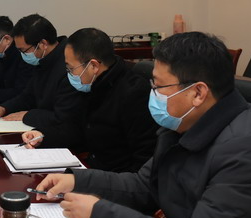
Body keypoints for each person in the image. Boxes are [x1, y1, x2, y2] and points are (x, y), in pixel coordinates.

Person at [36, 32, 251, 218]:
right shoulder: (183, 124)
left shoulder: (244, 151)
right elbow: (144, 185)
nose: (152, 93)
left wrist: (99, 216)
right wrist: (77, 181)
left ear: (198, 93)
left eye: (158, 86)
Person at [22, 28, 158, 172]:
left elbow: (143, 161)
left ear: (93, 66)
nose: (69, 74)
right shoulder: (92, 84)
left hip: (116, 177)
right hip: (93, 169)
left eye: (70, 69)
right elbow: (78, 130)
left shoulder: (133, 94)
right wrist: (43, 136)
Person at [0, 14, 84, 138]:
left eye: (24, 51)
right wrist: (4, 108)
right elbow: (28, 96)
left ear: (43, 44)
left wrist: (29, 115)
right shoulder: (42, 59)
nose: (22, 55)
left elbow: (64, 117)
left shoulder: (70, 65)